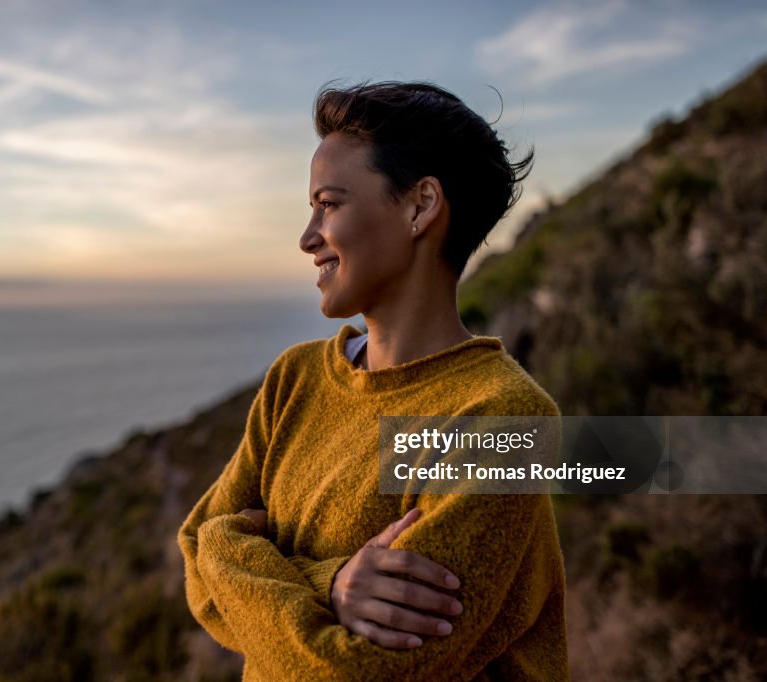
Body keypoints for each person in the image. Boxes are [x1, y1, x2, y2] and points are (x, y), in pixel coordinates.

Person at [177, 80, 568, 681]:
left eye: (329, 204)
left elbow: (365, 669)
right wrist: (329, 583)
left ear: (420, 206)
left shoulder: (503, 418)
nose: (308, 237)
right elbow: (196, 556)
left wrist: (236, 554)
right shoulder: (295, 379)